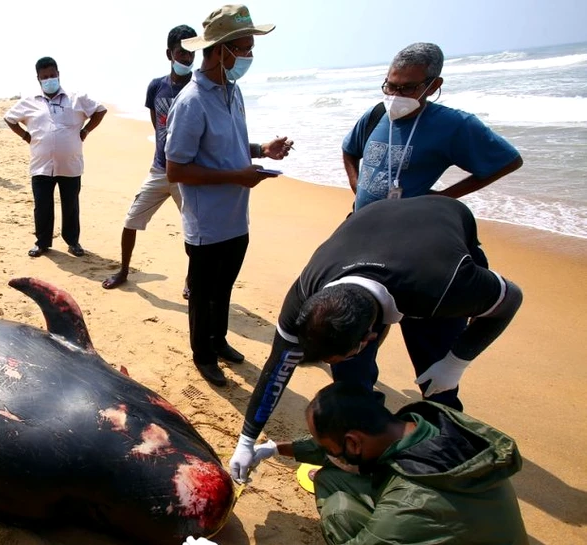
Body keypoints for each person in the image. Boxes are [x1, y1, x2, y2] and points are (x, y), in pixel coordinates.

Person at [228, 196, 524, 482]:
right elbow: (277, 369)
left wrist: (456, 361)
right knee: (351, 382)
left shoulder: (446, 286)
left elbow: (511, 299)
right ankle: (363, 459)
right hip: (375, 225)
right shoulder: (306, 294)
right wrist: (247, 440)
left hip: (434, 244)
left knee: (437, 382)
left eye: (337, 357)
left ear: (370, 338)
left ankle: (443, 464)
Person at [164, 4, 292, 386]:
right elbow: (176, 169)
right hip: (207, 224)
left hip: (237, 218)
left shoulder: (232, 92)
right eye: (245, 48)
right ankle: (203, 355)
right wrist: (237, 176)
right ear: (221, 51)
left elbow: (226, 145)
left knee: (223, 290)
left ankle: (218, 342)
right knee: (203, 294)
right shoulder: (192, 101)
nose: (250, 56)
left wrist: (261, 150)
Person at [269, 383, 528, 545]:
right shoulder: (421, 427)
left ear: (354, 444)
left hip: (429, 516)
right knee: (331, 478)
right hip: (459, 524)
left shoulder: (413, 503)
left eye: (330, 448)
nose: (330, 454)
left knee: (339, 511)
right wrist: (272, 449)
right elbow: (334, 447)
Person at [343, 42, 522, 212]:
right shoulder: (376, 114)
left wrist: (445, 196)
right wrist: (355, 184)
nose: (396, 95)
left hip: (406, 227)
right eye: (391, 86)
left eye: (408, 88)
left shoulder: (453, 125)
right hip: (360, 220)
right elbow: (349, 150)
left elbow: (508, 162)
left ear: (433, 86)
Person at [102, 24, 196, 295]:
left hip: (187, 174)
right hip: (159, 170)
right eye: (181, 52)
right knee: (131, 220)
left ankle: (191, 280)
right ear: (169, 54)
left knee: (194, 231)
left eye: (191, 52)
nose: (187, 58)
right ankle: (123, 270)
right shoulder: (156, 86)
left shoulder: (198, 87)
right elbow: (158, 126)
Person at [5, 57, 107, 258]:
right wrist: (26, 136)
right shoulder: (29, 102)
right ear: (38, 79)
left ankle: (73, 242)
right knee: (42, 206)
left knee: (71, 206)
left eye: (52, 75)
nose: (49, 79)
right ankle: (42, 243)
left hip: (70, 165)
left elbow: (100, 110)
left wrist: (86, 131)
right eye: (44, 77)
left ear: (58, 74)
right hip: (41, 165)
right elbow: (9, 118)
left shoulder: (76, 98)